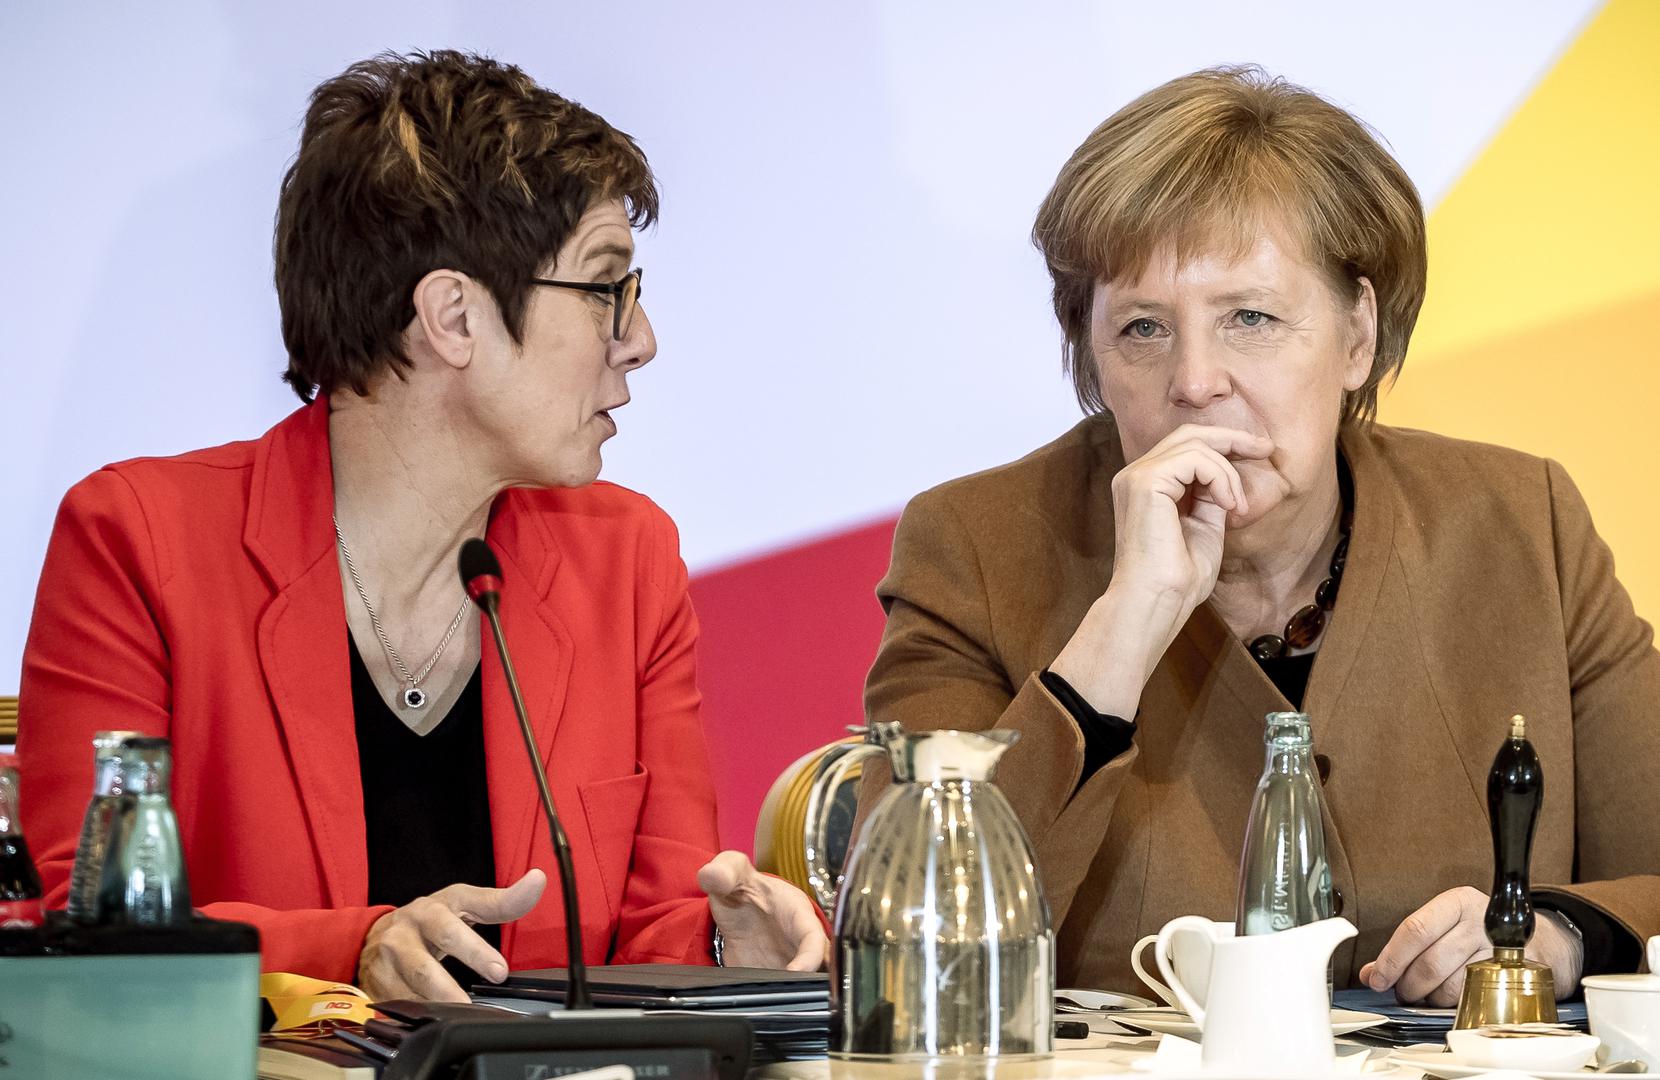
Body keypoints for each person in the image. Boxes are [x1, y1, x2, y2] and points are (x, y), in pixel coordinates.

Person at [19, 50, 824, 1002]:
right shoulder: (140, 542)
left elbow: (655, 930)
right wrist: (352, 950)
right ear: (453, 317)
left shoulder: (628, 560)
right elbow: (87, 931)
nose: (640, 340)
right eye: (607, 289)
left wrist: (730, 949)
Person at [862, 66, 1660, 1005]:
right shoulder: (973, 545)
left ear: (1357, 336)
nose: (1195, 381)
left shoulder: (1524, 520)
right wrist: (1126, 625)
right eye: (1143, 329)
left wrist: (1560, 934)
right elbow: (904, 940)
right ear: (1092, 357)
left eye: (1251, 318)